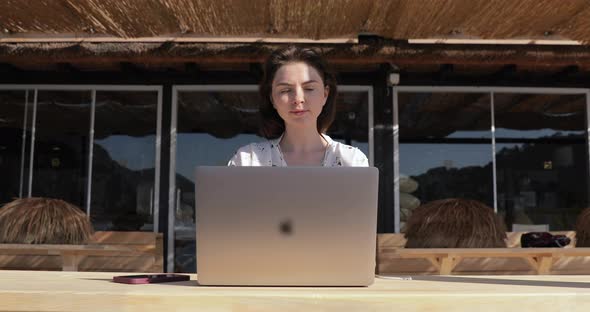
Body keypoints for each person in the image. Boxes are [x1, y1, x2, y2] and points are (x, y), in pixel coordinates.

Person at [228, 46, 368, 167]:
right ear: (272, 99)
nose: (298, 99)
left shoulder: (351, 160)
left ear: (325, 94)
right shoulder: (248, 161)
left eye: (309, 88)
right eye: (285, 90)